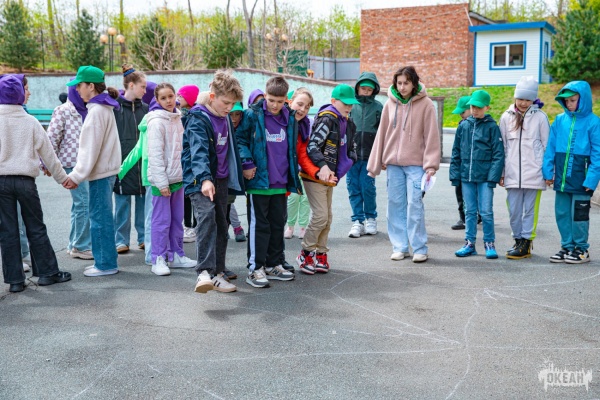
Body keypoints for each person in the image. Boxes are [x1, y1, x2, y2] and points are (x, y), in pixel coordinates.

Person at [0, 74, 72, 293]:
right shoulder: (30, 122)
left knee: (7, 231)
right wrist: (63, 178)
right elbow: (49, 155)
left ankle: (15, 280)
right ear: (18, 94)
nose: (29, 92)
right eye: (26, 89)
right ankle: (47, 273)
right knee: (36, 226)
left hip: (1, 183)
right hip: (25, 181)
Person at [367, 66, 441, 263]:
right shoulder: (389, 104)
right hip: (393, 164)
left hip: (416, 165)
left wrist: (431, 165)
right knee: (395, 205)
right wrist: (377, 161)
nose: (402, 87)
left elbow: (431, 136)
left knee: (414, 205)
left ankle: (419, 248)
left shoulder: (426, 104)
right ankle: (399, 247)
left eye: (406, 83)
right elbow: (382, 133)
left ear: (414, 83)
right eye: (399, 83)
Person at [182, 70, 245, 293]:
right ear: (212, 97)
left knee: (221, 222)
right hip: (199, 179)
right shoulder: (198, 118)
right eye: (225, 102)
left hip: (221, 178)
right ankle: (204, 272)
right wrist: (205, 179)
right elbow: (198, 151)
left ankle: (217, 273)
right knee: (207, 217)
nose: (229, 108)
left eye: (233, 104)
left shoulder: (225, 117)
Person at [237, 76, 299, 287]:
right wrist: (246, 162)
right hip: (259, 182)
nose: (274, 105)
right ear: (265, 95)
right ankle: (255, 268)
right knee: (259, 226)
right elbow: (239, 139)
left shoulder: (289, 117)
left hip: (280, 182)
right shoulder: (252, 115)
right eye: (271, 100)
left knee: (277, 224)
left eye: (280, 101)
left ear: (286, 100)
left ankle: (274, 264)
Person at [63, 65, 122, 276]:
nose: (77, 89)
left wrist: (76, 175)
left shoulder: (96, 111)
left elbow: (90, 149)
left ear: (90, 86)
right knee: (103, 217)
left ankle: (105, 264)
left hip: (100, 173)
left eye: (80, 85)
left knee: (99, 219)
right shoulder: (104, 108)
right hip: (107, 171)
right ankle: (105, 261)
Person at [297, 84, 358, 274]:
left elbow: (350, 148)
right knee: (320, 216)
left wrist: (348, 161)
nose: (349, 107)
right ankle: (306, 252)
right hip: (314, 175)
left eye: (351, 104)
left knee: (327, 218)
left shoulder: (347, 122)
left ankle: (321, 253)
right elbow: (313, 145)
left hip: (329, 176)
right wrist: (322, 166)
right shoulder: (327, 119)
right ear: (333, 101)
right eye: (345, 103)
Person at [543, 81, 600, 264]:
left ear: (583, 99)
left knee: (579, 215)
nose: (568, 104)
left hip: (582, 179)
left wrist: (591, 180)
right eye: (566, 101)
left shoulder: (594, 122)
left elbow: (598, 154)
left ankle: (581, 249)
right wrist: (548, 171)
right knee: (562, 213)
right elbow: (550, 148)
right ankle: (567, 246)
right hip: (561, 178)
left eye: (573, 100)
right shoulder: (560, 120)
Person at [146, 83, 197, 276]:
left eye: (171, 96)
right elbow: (155, 155)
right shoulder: (156, 122)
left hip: (178, 178)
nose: (168, 101)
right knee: (161, 221)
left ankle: (176, 255)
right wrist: (161, 182)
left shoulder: (179, 118)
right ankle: (158, 258)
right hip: (162, 181)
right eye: (163, 98)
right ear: (157, 100)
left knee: (177, 220)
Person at [450, 90, 505, 259]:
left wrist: (493, 178)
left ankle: (489, 243)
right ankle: (469, 243)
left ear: (487, 107)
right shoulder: (463, 126)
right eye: (473, 107)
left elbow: (498, 154)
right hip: (466, 177)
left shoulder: (492, 127)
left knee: (486, 212)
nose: (475, 110)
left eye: (479, 107)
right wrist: (455, 175)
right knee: (470, 211)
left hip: (485, 178)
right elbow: (456, 152)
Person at [499, 76, 549, 259]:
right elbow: (502, 147)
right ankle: (518, 239)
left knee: (530, 211)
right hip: (512, 174)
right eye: (520, 98)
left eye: (527, 100)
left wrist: (548, 172)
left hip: (534, 174)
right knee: (514, 210)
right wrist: (502, 173)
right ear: (515, 97)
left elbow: (547, 146)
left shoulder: (541, 118)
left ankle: (526, 242)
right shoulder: (506, 117)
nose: (523, 103)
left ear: (533, 99)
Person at [47, 84, 93, 260]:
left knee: (79, 204)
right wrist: (48, 164)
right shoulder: (63, 110)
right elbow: (51, 138)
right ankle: (81, 246)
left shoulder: (90, 108)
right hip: (71, 162)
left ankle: (74, 243)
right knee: (84, 203)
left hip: (86, 163)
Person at [113, 64, 148, 254]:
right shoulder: (115, 109)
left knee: (143, 204)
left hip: (142, 166)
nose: (145, 90)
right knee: (122, 205)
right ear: (132, 85)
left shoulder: (146, 109)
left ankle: (143, 238)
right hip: (121, 166)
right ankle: (121, 240)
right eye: (143, 86)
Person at [347, 72, 383, 238]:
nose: (366, 92)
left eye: (369, 89)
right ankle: (357, 221)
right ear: (357, 88)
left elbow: (384, 133)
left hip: (370, 157)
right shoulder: (351, 106)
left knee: (368, 188)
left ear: (374, 90)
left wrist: (382, 156)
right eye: (363, 88)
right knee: (353, 188)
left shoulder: (378, 107)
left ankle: (370, 218)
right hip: (351, 157)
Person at [285, 88, 314, 240]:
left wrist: (315, 170)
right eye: (300, 104)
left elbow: (304, 151)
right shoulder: (282, 121)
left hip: (303, 168)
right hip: (286, 170)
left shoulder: (306, 124)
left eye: (307, 107)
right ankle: (290, 226)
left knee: (305, 198)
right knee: (293, 198)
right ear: (290, 102)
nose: (303, 109)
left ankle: (303, 226)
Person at [176, 84, 200, 244]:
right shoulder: (179, 114)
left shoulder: (194, 116)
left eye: (181, 95)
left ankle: (196, 226)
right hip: (183, 160)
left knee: (195, 195)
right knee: (185, 196)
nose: (177, 98)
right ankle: (187, 225)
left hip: (193, 160)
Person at [449, 96, 471, 230]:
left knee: (473, 194)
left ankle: (475, 216)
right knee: (460, 193)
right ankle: (463, 217)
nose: (461, 115)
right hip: (462, 166)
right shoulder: (461, 126)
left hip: (474, 167)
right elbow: (456, 149)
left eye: (463, 112)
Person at [226, 101, 246, 243]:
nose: (234, 118)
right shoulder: (223, 128)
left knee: (229, 201)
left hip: (242, 173)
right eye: (231, 114)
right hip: (226, 173)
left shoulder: (244, 130)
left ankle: (235, 227)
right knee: (226, 201)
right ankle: (236, 227)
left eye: (237, 114)